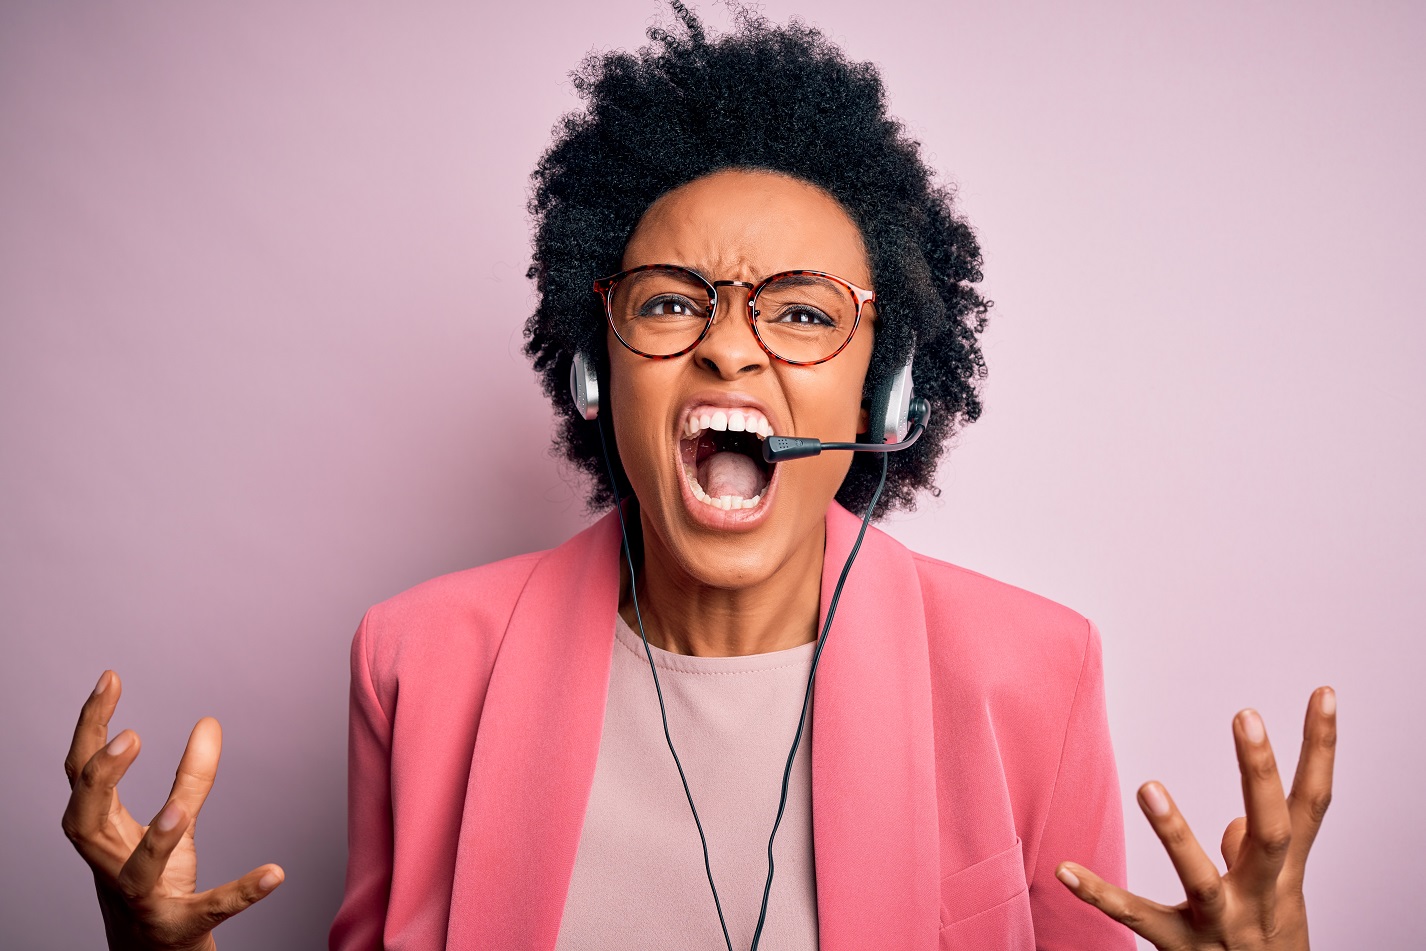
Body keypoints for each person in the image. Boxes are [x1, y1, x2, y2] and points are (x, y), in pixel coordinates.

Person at [61, 5, 1337, 950]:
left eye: (798, 313)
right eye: (673, 303)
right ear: (594, 372)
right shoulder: (419, 661)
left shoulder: (1030, 670)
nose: (728, 342)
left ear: (883, 392)